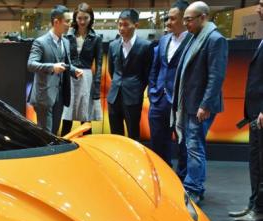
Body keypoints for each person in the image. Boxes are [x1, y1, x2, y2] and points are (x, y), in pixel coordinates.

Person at [173, 1, 228, 204]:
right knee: (192, 146)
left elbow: (216, 76)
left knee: (195, 147)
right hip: (190, 102)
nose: (185, 23)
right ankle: (194, 185)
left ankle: (193, 189)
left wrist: (205, 105)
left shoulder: (215, 39)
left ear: (203, 17)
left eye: (188, 19)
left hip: (200, 105)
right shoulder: (194, 37)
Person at [147, 1, 192, 165]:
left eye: (173, 19)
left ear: (184, 19)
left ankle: (182, 177)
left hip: (181, 102)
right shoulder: (164, 40)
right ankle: (161, 173)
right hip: (159, 99)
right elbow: (155, 68)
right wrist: (152, 91)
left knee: (184, 144)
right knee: (157, 142)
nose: (168, 22)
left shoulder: (193, 41)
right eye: (167, 18)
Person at [231, 0, 263, 221]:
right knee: (255, 161)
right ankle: (254, 204)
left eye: (261, 4)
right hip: (254, 114)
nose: (258, 8)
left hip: (261, 114)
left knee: (261, 164)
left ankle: (259, 209)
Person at [27, 5, 83, 135]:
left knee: (54, 132)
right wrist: (52, 67)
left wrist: (73, 70)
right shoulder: (40, 42)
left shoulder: (65, 42)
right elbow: (31, 64)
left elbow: (65, 63)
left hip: (61, 95)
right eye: (67, 21)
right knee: (46, 135)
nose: (70, 24)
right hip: (44, 96)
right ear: (56, 22)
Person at [107, 9, 153, 142]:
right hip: (114, 96)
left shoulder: (145, 46)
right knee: (115, 136)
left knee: (133, 134)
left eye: (126, 25)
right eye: (120, 24)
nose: (121, 28)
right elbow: (111, 70)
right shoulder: (113, 45)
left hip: (133, 97)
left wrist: (137, 89)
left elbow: (147, 74)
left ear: (136, 25)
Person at [61, 2, 103, 136]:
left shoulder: (96, 38)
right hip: (69, 76)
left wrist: (96, 88)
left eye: (86, 18)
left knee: (85, 119)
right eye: (79, 18)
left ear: (91, 18)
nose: (82, 21)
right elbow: (63, 59)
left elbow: (99, 64)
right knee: (66, 118)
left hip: (86, 79)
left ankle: (88, 147)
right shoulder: (67, 36)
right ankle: (63, 145)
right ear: (75, 18)